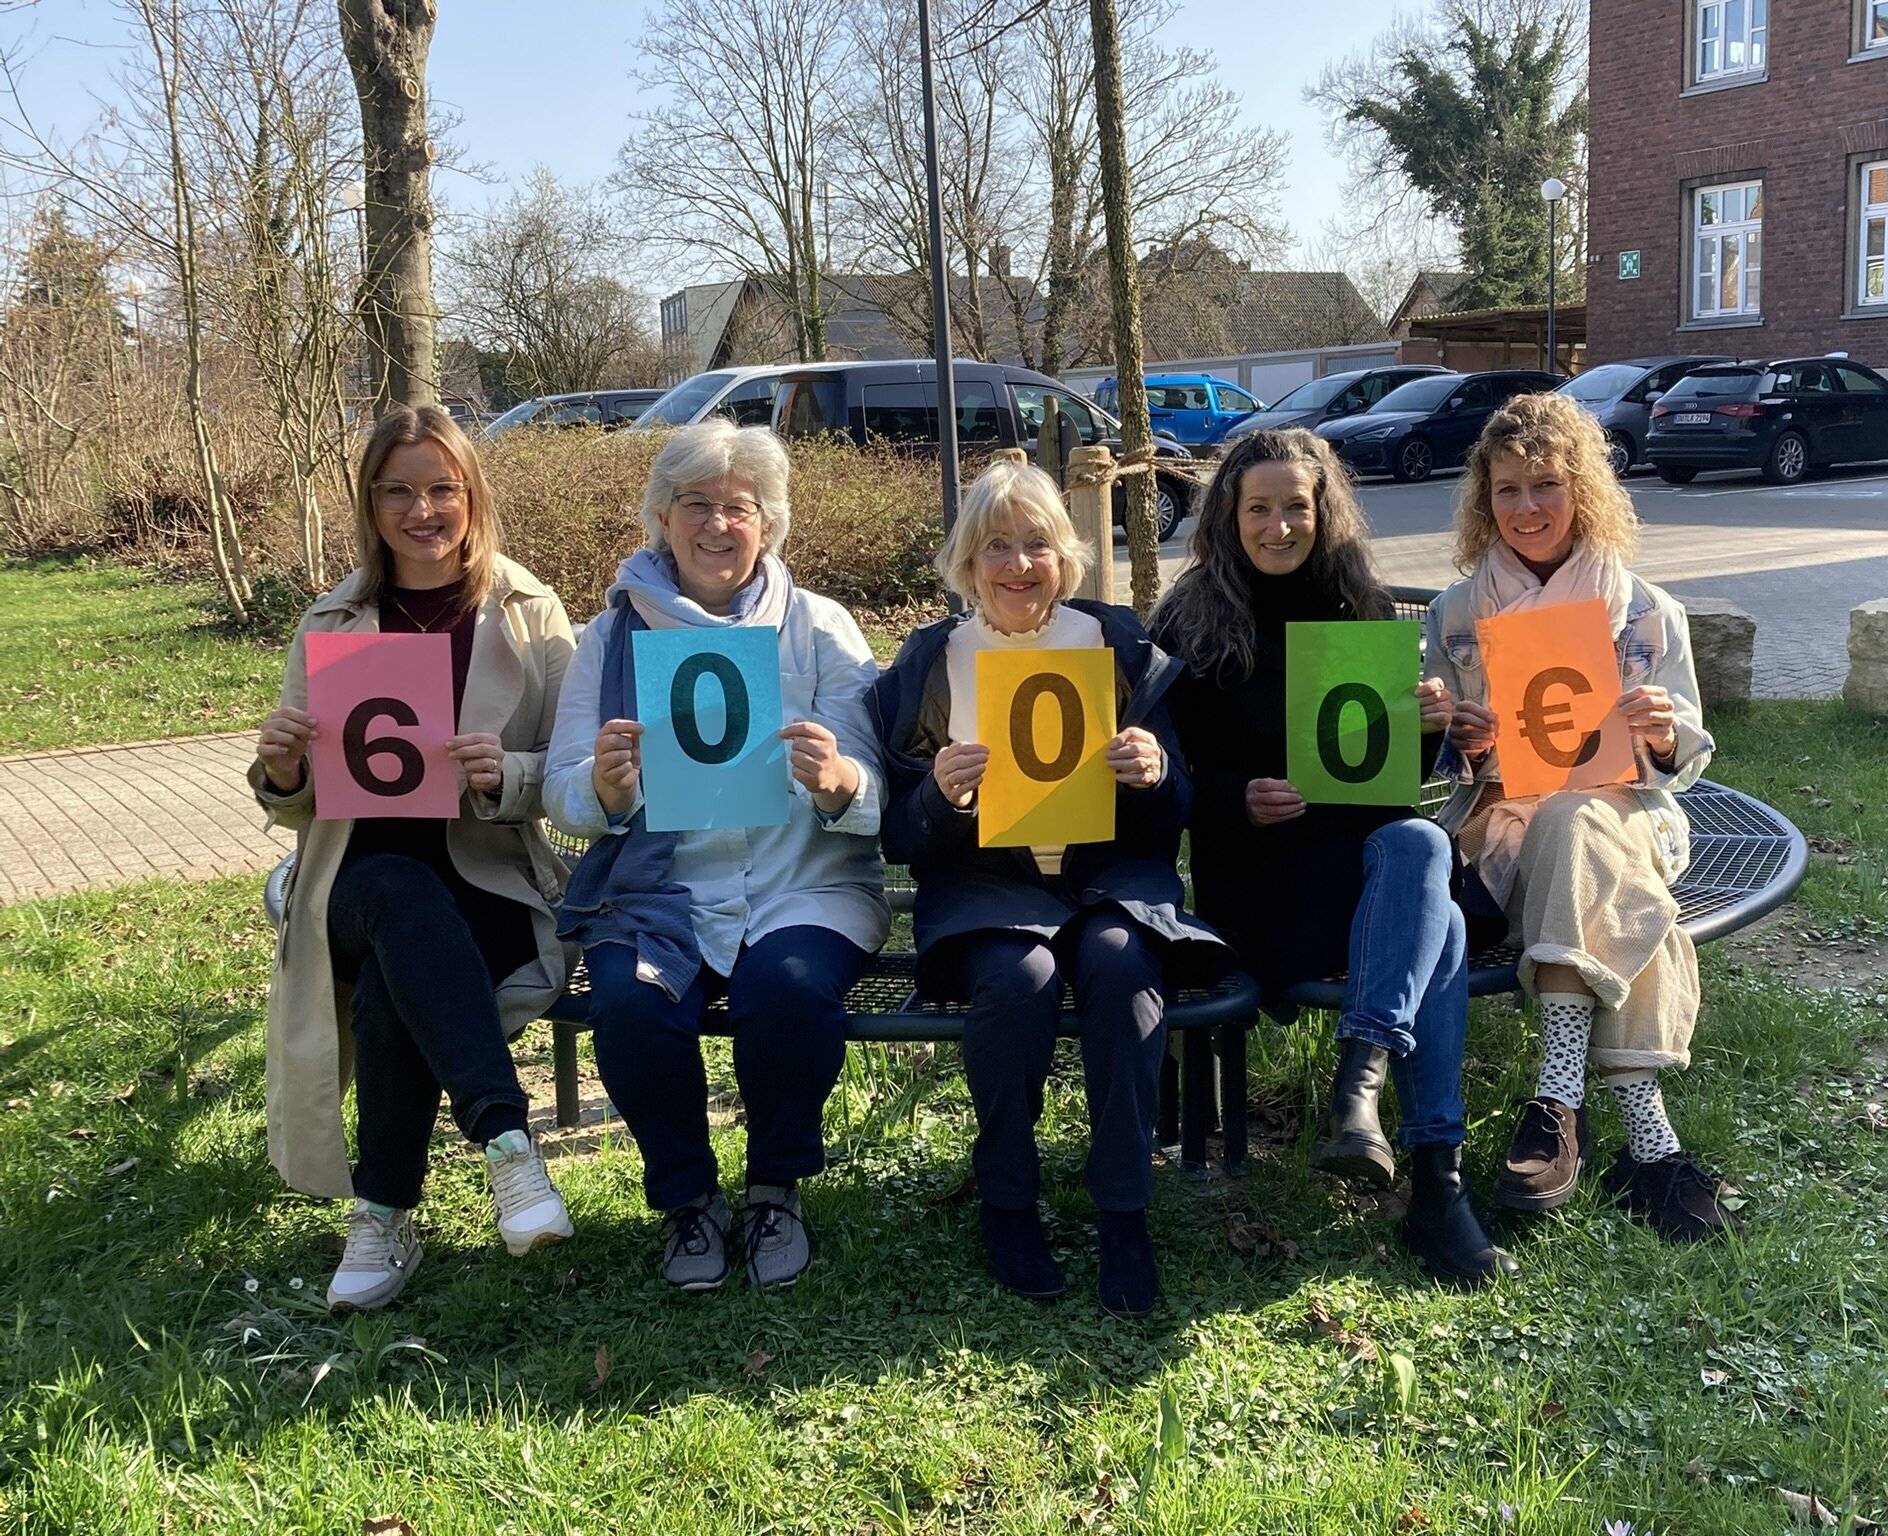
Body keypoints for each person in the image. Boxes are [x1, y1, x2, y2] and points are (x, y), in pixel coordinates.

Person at [1150, 428, 1513, 1287]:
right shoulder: (1189, 621)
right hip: (1256, 888)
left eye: (1296, 507)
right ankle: (1434, 1186)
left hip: (1365, 883)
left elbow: (1385, 790)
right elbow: (1164, 780)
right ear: (1229, 515)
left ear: (1324, 512)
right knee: (1441, 929)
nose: (1278, 526)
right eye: (1259, 508)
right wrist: (1235, 797)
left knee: (1420, 841)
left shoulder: (1360, 607)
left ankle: (1366, 1081)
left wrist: (1427, 731)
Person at [867, 460, 1227, 1319]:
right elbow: (900, 837)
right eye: (997, 546)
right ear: (967, 562)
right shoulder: (931, 660)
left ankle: (1123, 1210)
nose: (1019, 564)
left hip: (1110, 882)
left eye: (1037, 544)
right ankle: (1008, 1199)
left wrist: (1154, 772)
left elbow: (1179, 804)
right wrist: (939, 796)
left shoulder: (1117, 644)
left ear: (1065, 557)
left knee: (1123, 966)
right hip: (986, 888)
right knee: (1017, 978)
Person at [542, 419, 886, 1292]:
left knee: (788, 989)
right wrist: (605, 788)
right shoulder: (610, 638)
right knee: (630, 1005)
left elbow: (879, 784)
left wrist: (840, 780)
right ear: (662, 517)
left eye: (740, 507)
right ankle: (688, 1199)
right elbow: (561, 790)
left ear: (769, 524)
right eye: (696, 504)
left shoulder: (819, 626)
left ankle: (774, 1189)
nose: (717, 525)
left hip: (803, 886)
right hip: (661, 894)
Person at [253, 403, 577, 1313]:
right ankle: (508, 1149)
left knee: (402, 973)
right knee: (397, 895)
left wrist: (508, 774)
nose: (422, 510)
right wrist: (282, 768)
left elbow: (573, 772)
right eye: (397, 491)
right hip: (352, 882)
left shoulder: (530, 612)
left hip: (486, 876)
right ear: (370, 503)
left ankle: (384, 1212)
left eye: (442, 488)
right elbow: (292, 798)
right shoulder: (334, 617)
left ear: (473, 495)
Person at [1427, 390, 1736, 1241]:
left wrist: (1663, 731)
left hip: (1625, 812)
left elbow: (1687, 757)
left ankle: (1558, 1098)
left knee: (1579, 823)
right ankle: (1651, 1144)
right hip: (1502, 829)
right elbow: (1443, 756)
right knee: (1606, 872)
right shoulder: (1457, 613)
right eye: (1507, 490)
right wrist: (1460, 738)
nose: (1526, 507)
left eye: (1546, 486)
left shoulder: (1647, 611)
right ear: (1485, 500)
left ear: (1583, 490)